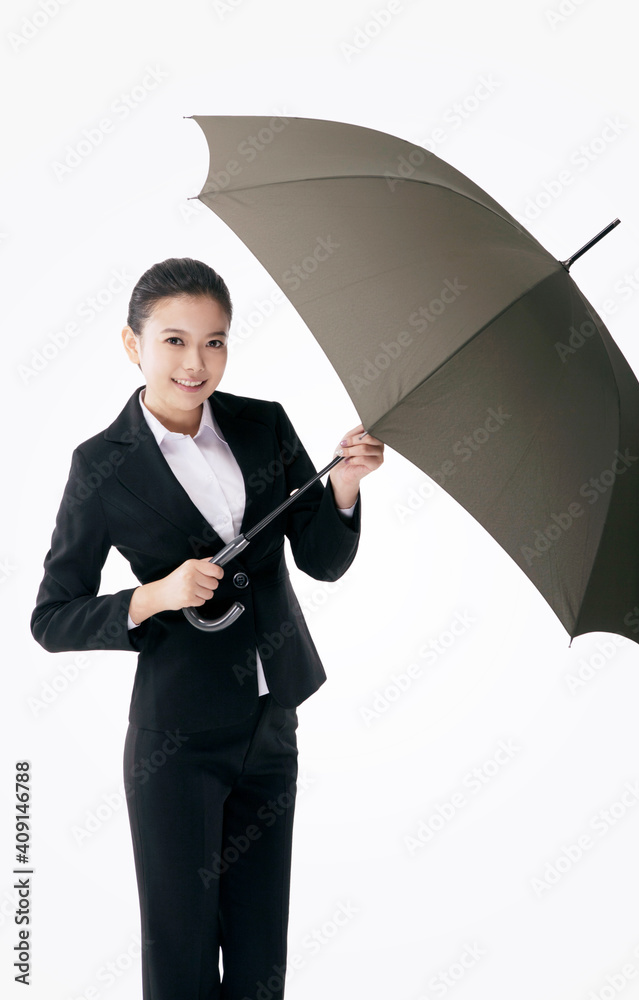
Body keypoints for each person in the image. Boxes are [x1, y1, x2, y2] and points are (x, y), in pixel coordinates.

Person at [30, 257, 384, 1000]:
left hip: (270, 721)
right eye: (174, 341)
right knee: (182, 957)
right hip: (177, 741)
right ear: (133, 344)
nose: (196, 363)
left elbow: (320, 560)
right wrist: (152, 595)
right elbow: (51, 617)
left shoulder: (264, 425)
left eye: (215, 342)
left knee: (260, 959)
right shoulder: (102, 464)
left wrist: (344, 488)